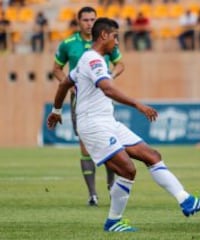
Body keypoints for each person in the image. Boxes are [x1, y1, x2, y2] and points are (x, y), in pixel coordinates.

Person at [47, 17, 200, 232]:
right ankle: (113, 221)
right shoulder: (94, 60)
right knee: (128, 170)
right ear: (104, 35)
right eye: (115, 36)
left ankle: (186, 200)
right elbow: (108, 89)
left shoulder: (91, 60)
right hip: (94, 125)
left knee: (152, 156)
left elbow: (65, 83)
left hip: (107, 122)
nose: (117, 42)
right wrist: (138, 105)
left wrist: (56, 110)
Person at [53, 6, 123, 206]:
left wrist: (111, 75)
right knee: (85, 146)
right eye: (85, 19)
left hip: (102, 98)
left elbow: (120, 64)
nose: (89, 23)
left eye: (93, 19)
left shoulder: (106, 40)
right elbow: (57, 69)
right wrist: (68, 83)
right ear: (78, 22)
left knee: (109, 141)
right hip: (80, 100)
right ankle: (92, 194)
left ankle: (111, 187)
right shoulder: (68, 44)